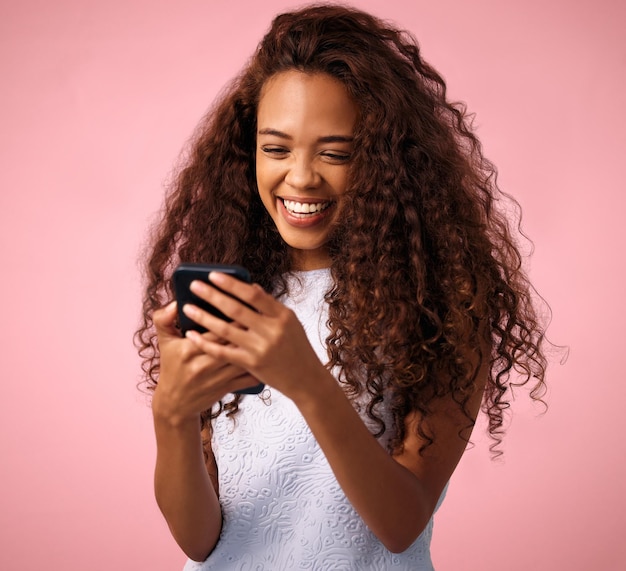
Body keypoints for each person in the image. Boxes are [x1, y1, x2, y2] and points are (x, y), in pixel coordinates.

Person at [135, 4, 549, 569]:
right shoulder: (237, 290)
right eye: (276, 149)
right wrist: (173, 417)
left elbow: (402, 524)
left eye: (336, 153)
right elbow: (200, 542)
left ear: (388, 161)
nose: (301, 177)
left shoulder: (443, 301)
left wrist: (304, 378)